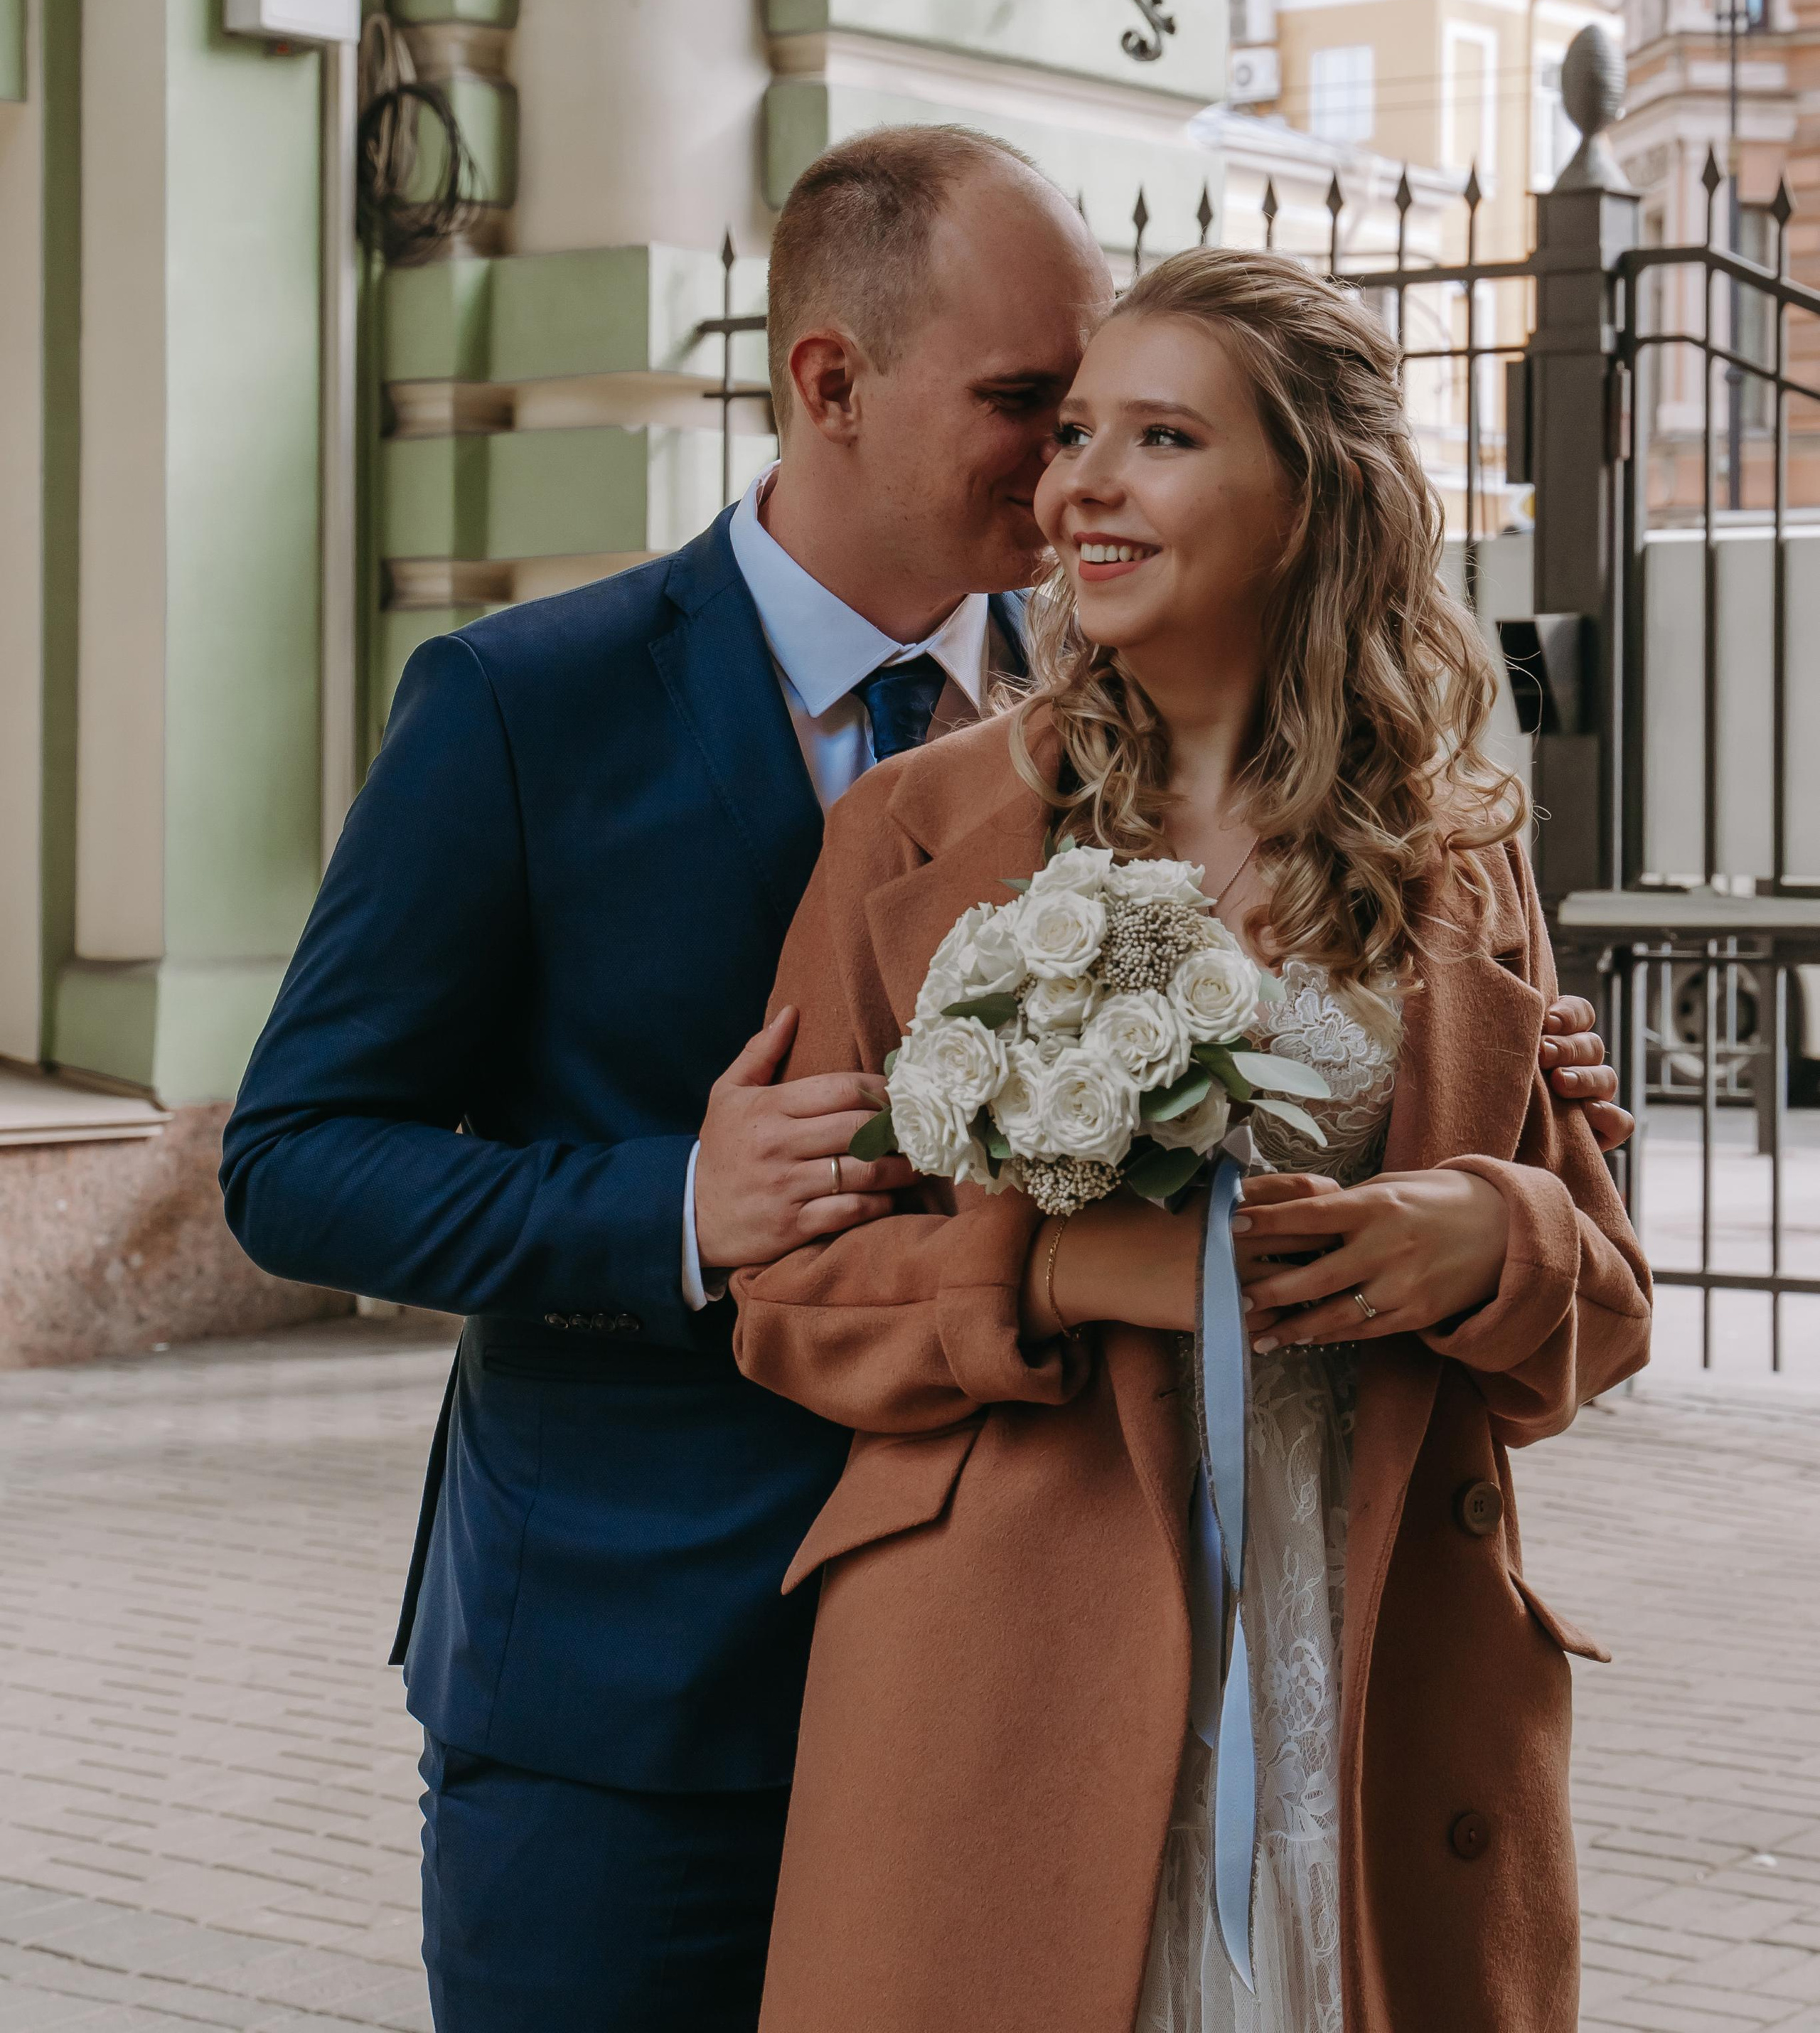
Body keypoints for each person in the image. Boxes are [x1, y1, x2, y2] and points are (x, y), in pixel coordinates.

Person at [220, 135, 1626, 2033]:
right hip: (641, 1675)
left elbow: (1560, 1247)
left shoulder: (1194, 724)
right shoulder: (528, 706)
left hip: (1119, 1663)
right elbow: (295, 1157)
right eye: (1036, 406)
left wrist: (1507, 1195)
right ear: (832, 384)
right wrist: (680, 1207)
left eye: (1125, 421)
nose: (1068, 471)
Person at [732, 248, 1652, 2033]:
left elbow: (1597, 1312)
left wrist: (1489, 1232)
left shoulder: (1455, 853)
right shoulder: (911, 834)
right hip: (1009, 1682)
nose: (1079, 483)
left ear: (1312, 501)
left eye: (1159, 438)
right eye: (1075, 432)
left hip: (1373, 1681)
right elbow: (788, 1292)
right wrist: (1057, 1269)